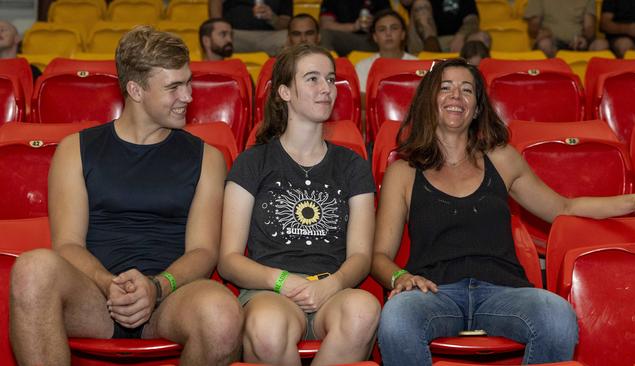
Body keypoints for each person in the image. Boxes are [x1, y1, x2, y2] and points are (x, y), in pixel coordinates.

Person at [371, 58, 635, 365]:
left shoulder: (502, 159)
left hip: (503, 291)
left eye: (467, 90)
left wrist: (634, 201)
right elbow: (379, 256)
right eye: (445, 88)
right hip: (434, 293)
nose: (456, 97)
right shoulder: (403, 172)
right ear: (429, 100)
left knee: (557, 316)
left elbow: (564, 207)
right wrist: (400, 277)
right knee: (396, 319)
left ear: (477, 108)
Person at [10, 26, 243, 366]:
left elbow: (203, 250)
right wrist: (108, 284)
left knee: (222, 313)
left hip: (169, 299)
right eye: (174, 87)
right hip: (94, 297)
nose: (189, 96)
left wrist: (156, 287)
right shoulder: (75, 150)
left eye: (188, 82)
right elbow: (68, 245)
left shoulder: (207, 157)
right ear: (136, 89)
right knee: (32, 268)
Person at [219, 44, 380, 365]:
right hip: (270, 293)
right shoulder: (253, 162)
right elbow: (229, 260)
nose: (326, 89)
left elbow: (361, 256)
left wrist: (331, 284)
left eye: (331, 80)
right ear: (284, 92)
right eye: (312, 79)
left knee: (363, 312)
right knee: (268, 327)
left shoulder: (352, 165)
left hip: (333, 290)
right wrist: (282, 281)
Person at [355, 9, 417, 93]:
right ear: (375, 37)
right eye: (382, 29)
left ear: (403, 34)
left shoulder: (417, 64)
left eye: (394, 28)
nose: (388, 33)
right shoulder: (362, 67)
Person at [524, 0, 609, 58]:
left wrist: (584, 38)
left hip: (577, 44)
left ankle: (592, 81)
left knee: (601, 44)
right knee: (545, 44)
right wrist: (541, 32)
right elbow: (533, 27)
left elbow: (589, 27)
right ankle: (552, 79)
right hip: (552, 42)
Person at [400, 0, 489, 53]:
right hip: (422, 44)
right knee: (420, 4)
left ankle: (474, 77)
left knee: (482, 37)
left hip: (452, 42)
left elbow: (472, 20)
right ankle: (432, 57)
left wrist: (461, 35)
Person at [209, 0, 293, 56]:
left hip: (269, 37)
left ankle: (283, 79)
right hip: (235, 35)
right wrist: (221, 27)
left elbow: (287, 23)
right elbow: (215, 3)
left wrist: (272, 18)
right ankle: (214, 76)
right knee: (214, 37)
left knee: (291, 37)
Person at [319, 0, 392, 56]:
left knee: (395, 32)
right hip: (346, 39)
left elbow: (390, 20)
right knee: (324, 34)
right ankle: (329, 70)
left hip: (373, 39)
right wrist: (354, 26)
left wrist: (375, 23)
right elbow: (325, 25)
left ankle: (394, 67)